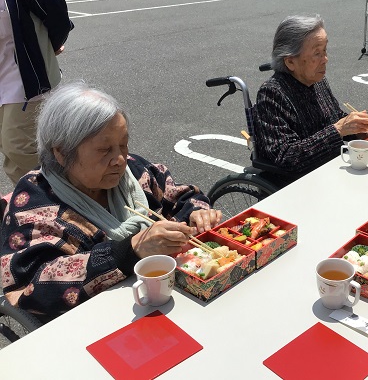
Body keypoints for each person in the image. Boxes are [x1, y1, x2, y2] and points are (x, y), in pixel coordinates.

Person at [0, 82, 221, 322]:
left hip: (163, 302)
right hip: (93, 323)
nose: (119, 159)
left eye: (123, 144)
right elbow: (32, 286)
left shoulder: (135, 171)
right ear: (61, 153)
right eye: (104, 149)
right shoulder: (34, 206)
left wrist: (197, 213)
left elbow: (181, 197)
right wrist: (130, 249)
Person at [253, 15, 368, 179]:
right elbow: (287, 157)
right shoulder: (272, 94)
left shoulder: (316, 80)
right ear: (290, 62)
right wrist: (338, 130)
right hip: (297, 184)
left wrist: (358, 128)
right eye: (317, 53)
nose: (325, 59)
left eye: (325, 50)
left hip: (328, 170)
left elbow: (334, 117)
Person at [0, 0, 74, 185]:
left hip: (25, 83)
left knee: (22, 149)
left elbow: (58, 18)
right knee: (10, 150)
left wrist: (53, 44)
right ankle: (25, 206)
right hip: (2, 79)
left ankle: (57, 202)